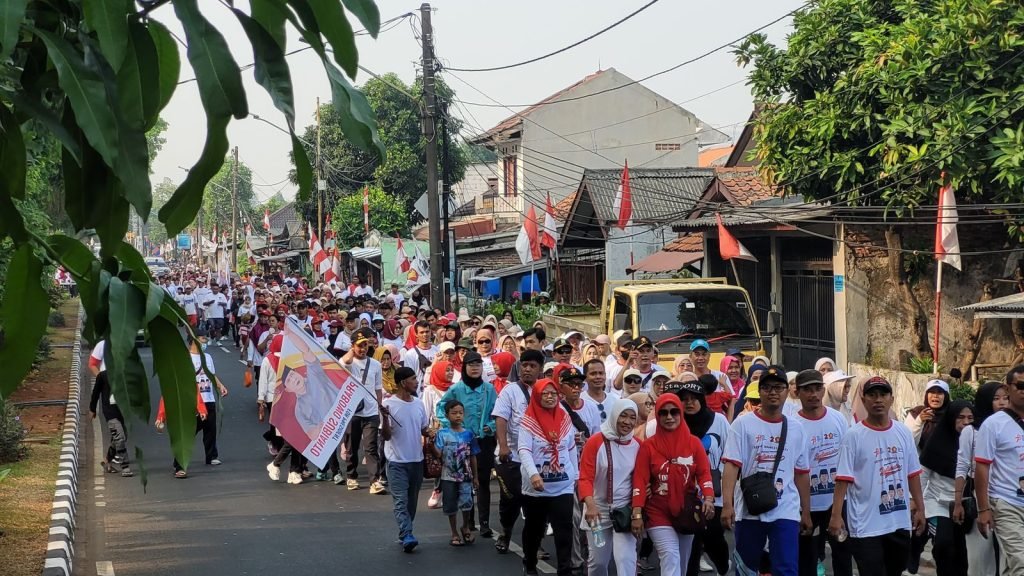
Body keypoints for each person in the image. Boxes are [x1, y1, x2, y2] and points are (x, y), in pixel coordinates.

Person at [829, 376, 926, 576]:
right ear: (863, 400)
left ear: (891, 399)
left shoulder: (903, 433)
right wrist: (836, 516)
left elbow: (913, 474)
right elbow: (843, 479)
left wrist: (920, 509)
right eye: (872, 395)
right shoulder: (853, 436)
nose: (878, 400)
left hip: (898, 521)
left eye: (883, 394)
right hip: (865, 524)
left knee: (895, 570)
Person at [722, 365, 811, 576]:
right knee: (747, 569)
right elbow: (732, 466)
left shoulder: (797, 428)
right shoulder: (742, 425)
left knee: (786, 568)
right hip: (750, 510)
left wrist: (806, 511)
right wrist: (727, 505)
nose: (773, 392)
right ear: (759, 392)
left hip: (785, 509)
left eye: (779, 387)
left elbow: (801, 473)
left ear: (787, 392)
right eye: (767, 388)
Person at [632, 394, 715, 576]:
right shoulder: (648, 446)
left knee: (683, 564)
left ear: (681, 413)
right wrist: (637, 513)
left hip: (687, 512)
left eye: (674, 412)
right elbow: (640, 479)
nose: (669, 417)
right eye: (663, 413)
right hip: (657, 512)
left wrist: (708, 497)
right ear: (658, 416)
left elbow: (704, 473)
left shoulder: (694, 443)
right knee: (670, 556)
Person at [792, 369, 852, 576]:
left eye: (817, 389)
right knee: (807, 557)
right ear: (797, 392)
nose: (813, 395)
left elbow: (847, 461)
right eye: (807, 390)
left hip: (836, 502)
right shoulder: (791, 424)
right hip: (804, 504)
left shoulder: (838, 420)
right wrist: (804, 510)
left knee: (843, 553)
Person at [519, 377, 579, 576]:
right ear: (537, 396)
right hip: (537, 488)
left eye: (554, 393)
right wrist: (534, 475)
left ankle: (565, 569)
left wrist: (575, 475)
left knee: (564, 530)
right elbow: (524, 450)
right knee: (534, 530)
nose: (550, 397)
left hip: (563, 486)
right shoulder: (528, 420)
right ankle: (529, 563)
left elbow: (570, 447)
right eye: (546, 393)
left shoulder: (564, 417)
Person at [436, 352, 498, 538]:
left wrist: (491, 426)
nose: (474, 368)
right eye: (471, 364)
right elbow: (441, 407)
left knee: (484, 480)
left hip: (484, 440)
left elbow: (497, 413)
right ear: (464, 367)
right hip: (462, 443)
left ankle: (485, 522)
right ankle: (468, 520)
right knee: (465, 480)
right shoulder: (457, 389)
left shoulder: (489, 389)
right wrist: (452, 427)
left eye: (478, 364)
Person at [578, 398, 641, 576]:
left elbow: (641, 481)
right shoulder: (595, 442)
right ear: (614, 415)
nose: (627, 422)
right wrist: (590, 505)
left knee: (626, 560)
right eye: (623, 416)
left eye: (632, 418)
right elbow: (585, 478)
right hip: (597, 512)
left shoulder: (638, 445)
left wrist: (637, 511)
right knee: (598, 563)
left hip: (624, 513)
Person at [677, 379, 731, 576]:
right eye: (684, 399)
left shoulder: (719, 421)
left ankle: (724, 567)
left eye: (694, 399)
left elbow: (729, 454)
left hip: (714, 492)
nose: (689, 403)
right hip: (685, 493)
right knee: (691, 541)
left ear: (702, 399)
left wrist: (728, 493)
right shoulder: (675, 422)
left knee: (713, 538)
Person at [493, 349, 543, 555]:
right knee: (511, 499)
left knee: (536, 502)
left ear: (540, 369)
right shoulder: (510, 391)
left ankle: (535, 543)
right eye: (524, 365)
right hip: (512, 456)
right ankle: (506, 531)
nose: (527, 369)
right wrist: (503, 446)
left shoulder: (546, 390)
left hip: (537, 456)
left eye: (532, 366)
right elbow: (501, 418)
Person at [953, 381, 1006, 576]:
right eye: (996, 398)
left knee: (1010, 555)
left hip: (1009, 496)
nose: (1002, 403)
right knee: (981, 558)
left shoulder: (1013, 427)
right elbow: (963, 464)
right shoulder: (972, 431)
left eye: (1005, 398)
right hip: (980, 497)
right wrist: (958, 501)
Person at [975, 366, 1024, 576]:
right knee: (1021, 562)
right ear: (1008, 388)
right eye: (1021, 386)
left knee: (1012, 566)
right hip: (1006, 502)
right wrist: (984, 509)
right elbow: (982, 466)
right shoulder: (993, 425)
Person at [382, 366, 434, 553]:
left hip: (416, 461)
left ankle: (405, 531)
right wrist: (385, 418)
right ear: (403, 383)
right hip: (396, 462)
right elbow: (387, 436)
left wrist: (433, 433)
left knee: (411, 502)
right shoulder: (388, 405)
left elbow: (423, 429)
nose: (417, 381)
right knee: (400, 501)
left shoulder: (419, 403)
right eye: (413, 379)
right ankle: (407, 533)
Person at [920, 399, 973, 576]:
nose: (966, 422)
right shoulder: (938, 440)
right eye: (960, 418)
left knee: (963, 551)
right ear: (951, 418)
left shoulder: (978, 440)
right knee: (943, 545)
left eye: (970, 418)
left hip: (967, 504)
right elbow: (924, 473)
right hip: (939, 503)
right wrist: (916, 503)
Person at [904, 379, 951, 572]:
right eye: (932, 392)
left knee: (940, 533)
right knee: (918, 521)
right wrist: (919, 422)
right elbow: (907, 442)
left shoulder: (951, 416)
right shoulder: (915, 414)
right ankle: (914, 552)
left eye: (940, 393)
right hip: (920, 475)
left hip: (943, 478)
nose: (936, 396)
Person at [167, 333, 228, 478]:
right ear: (193, 341)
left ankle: (211, 456)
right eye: (202, 340)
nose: (205, 343)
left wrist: (220, 386)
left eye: (205, 340)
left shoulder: (207, 357)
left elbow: (211, 374)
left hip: (208, 398)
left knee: (210, 430)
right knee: (188, 433)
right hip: (193, 402)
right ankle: (179, 464)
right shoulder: (184, 358)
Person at [430, 399, 481, 546]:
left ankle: (465, 526)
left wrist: (475, 477)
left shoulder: (469, 435)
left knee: (467, 502)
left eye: (460, 413)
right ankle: (454, 532)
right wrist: (431, 443)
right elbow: (438, 454)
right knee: (450, 504)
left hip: (465, 476)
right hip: (448, 476)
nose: (458, 416)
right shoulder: (442, 434)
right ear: (447, 415)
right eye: (454, 413)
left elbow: (473, 456)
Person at [340, 330, 385, 493]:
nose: (363, 349)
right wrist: (352, 351)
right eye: (359, 346)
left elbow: (378, 388)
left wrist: (379, 407)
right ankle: (351, 476)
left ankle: (375, 480)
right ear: (352, 346)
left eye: (365, 345)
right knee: (352, 446)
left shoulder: (375, 365)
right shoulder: (348, 362)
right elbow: (344, 362)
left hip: (371, 411)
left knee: (371, 446)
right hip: (352, 412)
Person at [88, 340, 132, 477]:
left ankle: (106, 461)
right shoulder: (103, 376)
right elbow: (95, 394)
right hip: (110, 412)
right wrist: (92, 410)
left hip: (122, 411)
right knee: (119, 437)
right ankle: (125, 466)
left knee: (121, 437)